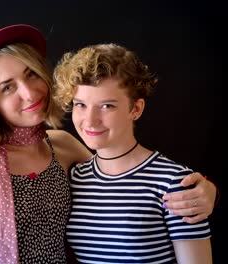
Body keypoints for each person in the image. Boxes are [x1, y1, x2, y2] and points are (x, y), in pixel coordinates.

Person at [0, 24, 216, 263]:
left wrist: (203, 190)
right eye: (7, 87)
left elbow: (118, 180)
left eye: (31, 74)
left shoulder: (62, 148)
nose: (28, 92)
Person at [53, 43, 212, 263]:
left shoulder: (174, 183)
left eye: (107, 106)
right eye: (80, 105)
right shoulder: (75, 178)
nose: (90, 120)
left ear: (135, 109)